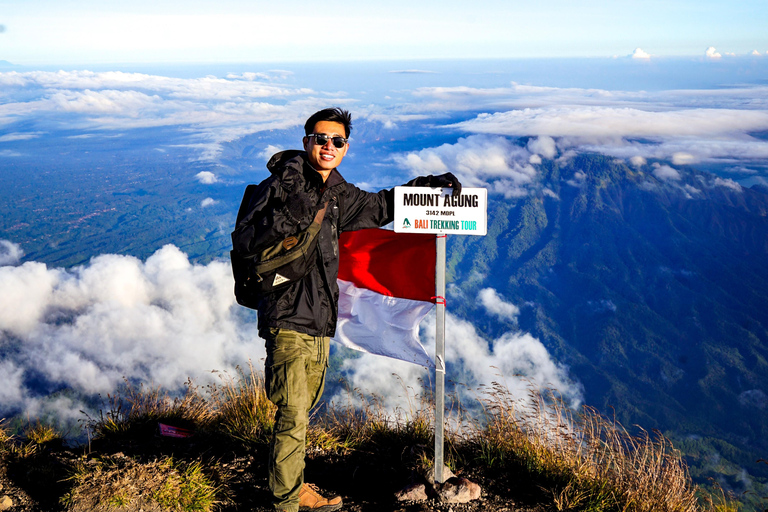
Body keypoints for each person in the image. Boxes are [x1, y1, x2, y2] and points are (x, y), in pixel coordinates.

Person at [231, 107, 460, 512]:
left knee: (302, 407)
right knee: (293, 411)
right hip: (287, 315)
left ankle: (292, 484)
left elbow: (379, 207)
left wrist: (424, 187)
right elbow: (249, 241)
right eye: (320, 138)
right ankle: (284, 501)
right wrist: (294, 204)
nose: (328, 146)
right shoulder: (280, 186)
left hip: (320, 319)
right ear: (306, 142)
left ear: (346, 147)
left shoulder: (336, 194)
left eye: (337, 141)